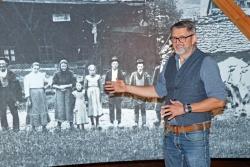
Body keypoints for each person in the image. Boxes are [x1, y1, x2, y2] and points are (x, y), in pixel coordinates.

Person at [105, 20, 226, 167]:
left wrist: (184, 108)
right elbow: (158, 90)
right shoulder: (170, 62)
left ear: (194, 38)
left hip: (195, 136)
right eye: (174, 38)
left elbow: (219, 100)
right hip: (170, 135)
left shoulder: (206, 62)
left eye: (182, 37)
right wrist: (126, 88)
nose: (178, 42)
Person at [23, 62, 50, 132]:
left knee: (42, 109)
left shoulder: (42, 75)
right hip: (32, 94)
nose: (36, 70)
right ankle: (33, 126)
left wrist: (46, 86)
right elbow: (26, 88)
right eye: (34, 68)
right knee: (33, 109)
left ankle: (44, 126)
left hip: (41, 94)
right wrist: (28, 98)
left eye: (38, 68)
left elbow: (50, 81)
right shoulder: (27, 76)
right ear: (31, 68)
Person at [52, 59, 76, 131]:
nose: (63, 67)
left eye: (65, 66)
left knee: (69, 107)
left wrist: (67, 86)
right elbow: (53, 84)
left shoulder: (71, 73)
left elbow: (74, 83)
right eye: (62, 66)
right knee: (60, 107)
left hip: (68, 91)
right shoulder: (56, 74)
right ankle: (59, 124)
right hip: (59, 92)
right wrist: (59, 87)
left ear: (67, 66)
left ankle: (71, 124)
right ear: (60, 66)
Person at [0, 57, 22, 131]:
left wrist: (18, 99)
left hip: (11, 95)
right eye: (0, 64)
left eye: (3, 64)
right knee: (2, 112)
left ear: (6, 64)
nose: (1, 65)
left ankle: (16, 128)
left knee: (14, 112)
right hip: (1, 95)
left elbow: (18, 87)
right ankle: (5, 128)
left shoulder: (12, 74)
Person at [104, 56, 125, 127]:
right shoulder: (108, 73)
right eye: (113, 64)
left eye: (116, 64)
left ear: (118, 65)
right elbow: (106, 82)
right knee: (111, 107)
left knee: (118, 107)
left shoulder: (120, 73)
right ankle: (111, 122)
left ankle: (119, 122)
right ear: (111, 65)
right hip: (111, 91)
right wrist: (107, 91)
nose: (115, 65)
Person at [129, 59, 150, 128]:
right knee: (136, 109)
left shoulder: (145, 75)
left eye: (141, 66)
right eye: (139, 66)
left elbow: (148, 86)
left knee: (143, 109)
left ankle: (144, 123)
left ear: (143, 67)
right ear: (137, 67)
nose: (140, 68)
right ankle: (136, 122)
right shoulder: (133, 74)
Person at [152, 54, 169, 127]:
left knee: (166, 106)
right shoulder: (157, 69)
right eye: (164, 59)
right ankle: (158, 120)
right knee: (157, 107)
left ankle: (165, 121)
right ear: (161, 60)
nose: (165, 60)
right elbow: (154, 80)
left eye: (166, 59)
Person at [84, 64, 103, 129]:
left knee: (96, 107)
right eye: (90, 70)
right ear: (88, 71)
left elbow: (100, 86)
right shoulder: (87, 77)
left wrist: (101, 93)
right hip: (89, 92)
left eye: (93, 70)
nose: (92, 71)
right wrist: (85, 95)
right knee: (91, 107)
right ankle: (92, 123)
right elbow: (85, 86)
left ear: (95, 70)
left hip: (96, 92)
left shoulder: (98, 77)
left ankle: (97, 123)